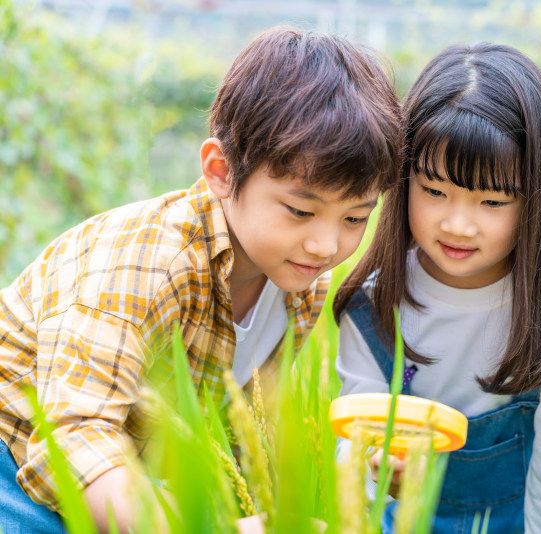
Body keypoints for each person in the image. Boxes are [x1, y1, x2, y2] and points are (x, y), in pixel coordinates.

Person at [0, 27, 401, 534]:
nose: (327, 246)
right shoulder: (149, 260)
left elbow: (237, 429)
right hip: (21, 452)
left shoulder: (301, 285)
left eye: (354, 218)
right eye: (301, 210)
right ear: (222, 171)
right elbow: (72, 441)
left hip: (125, 468)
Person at [333, 42, 541, 533]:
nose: (458, 225)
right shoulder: (371, 306)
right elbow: (356, 443)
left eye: (492, 201)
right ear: (402, 179)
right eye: (435, 192)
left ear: (536, 201)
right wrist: (373, 462)